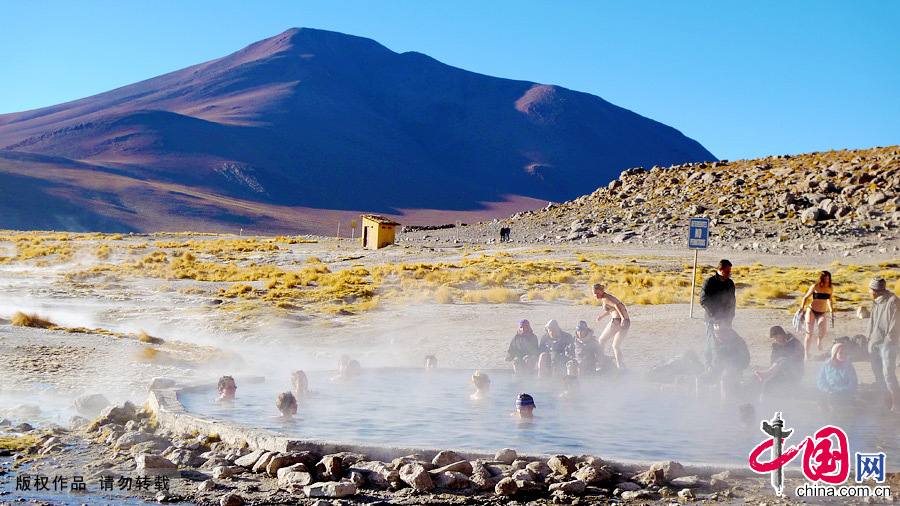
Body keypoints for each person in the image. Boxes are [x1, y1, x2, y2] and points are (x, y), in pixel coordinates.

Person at [866, 277, 899, 412]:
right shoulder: (876, 302)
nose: (868, 292)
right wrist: (869, 340)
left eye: (870, 289)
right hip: (874, 343)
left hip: (887, 346)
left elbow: (895, 325)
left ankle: (896, 404)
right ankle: (884, 402)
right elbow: (872, 323)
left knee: (888, 375)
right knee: (878, 374)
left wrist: (888, 342)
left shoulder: (893, 302)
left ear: (875, 290)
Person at [700, 259, 736, 367]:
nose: (729, 274)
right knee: (711, 342)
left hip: (726, 319)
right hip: (712, 320)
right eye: (727, 271)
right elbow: (703, 300)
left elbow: (732, 301)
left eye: (730, 271)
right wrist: (715, 316)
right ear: (719, 270)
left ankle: (722, 365)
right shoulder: (709, 282)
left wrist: (730, 316)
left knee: (726, 341)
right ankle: (708, 366)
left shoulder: (730, 283)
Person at [703, 322, 750, 400]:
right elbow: (707, 355)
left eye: (721, 334)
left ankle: (724, 404)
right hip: (715, 368)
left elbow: (746, 359)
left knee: (724, 379)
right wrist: (708, 366)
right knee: (700, 378)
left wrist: (734, 367)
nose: (719, 337)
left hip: (733, 369)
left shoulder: (738, 341)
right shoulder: (712, 340)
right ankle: (700, 404)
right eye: (717, 334)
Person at [753, 326, 805, 398]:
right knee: (765, 383)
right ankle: (761, 403)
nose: (776, 339)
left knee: (783, 360)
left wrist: (784, 351)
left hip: (793, 372)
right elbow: (773, 361)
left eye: (777, 337)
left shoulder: (795, 343)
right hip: (779, 372)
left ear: (782, 334)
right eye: (775, 338)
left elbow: (797, 359)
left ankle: (766, 373)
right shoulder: (776, 346)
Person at [593, 284, 631, 369]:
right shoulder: (608, 297)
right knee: (616, 346)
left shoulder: (605, 298)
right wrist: (602, 316)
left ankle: (601, 363)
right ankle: (621, 367)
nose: (596, 295)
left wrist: (622, 318)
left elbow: (616, 306)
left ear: (602, 291)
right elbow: (613, 308)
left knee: (601, 340)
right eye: (594, 293)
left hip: (618, 320)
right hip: (627, 321)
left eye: (597, 293)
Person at [799, 271, 835, 359]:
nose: (827, 280)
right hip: (811, 310)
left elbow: (829, 300)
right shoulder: (815, 287)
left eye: (828, 278)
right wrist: (801, 308)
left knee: (823, 329)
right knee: (809, 333)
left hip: (822, 311)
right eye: (825, 278)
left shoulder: (830, 288)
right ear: (821, 278)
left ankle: (819, 340)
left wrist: (831, 311)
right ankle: (806, 354)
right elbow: (805, 298)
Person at [817, 343, 858, 411]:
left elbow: (853, 382)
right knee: (822, 402)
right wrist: (827, 389)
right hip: (829, 392)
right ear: (834, 353)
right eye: (840, 353)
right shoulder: (826, 365)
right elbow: (820, 381)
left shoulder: (849, 366)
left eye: (845, 353)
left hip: (844, 393)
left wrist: (843, 391)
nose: (843, 355)